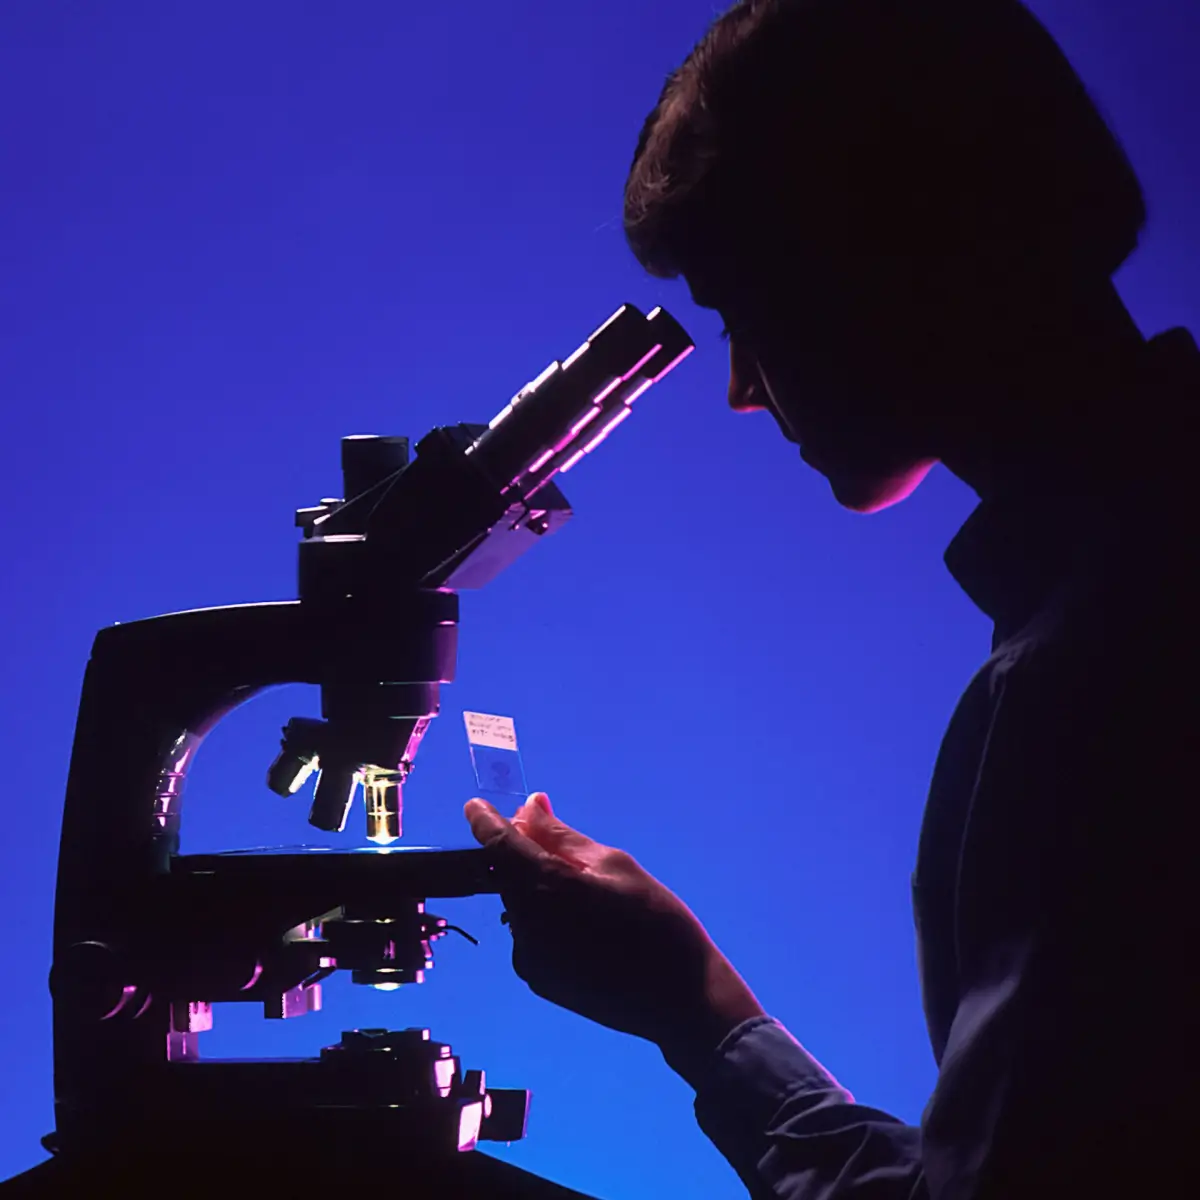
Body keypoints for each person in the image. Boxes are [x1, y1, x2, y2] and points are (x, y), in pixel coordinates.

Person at [466, 1, 1199, 1196]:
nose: (745, 388)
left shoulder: (1094, 691)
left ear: (877, 262)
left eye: (742, 312)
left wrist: (696, 1015)